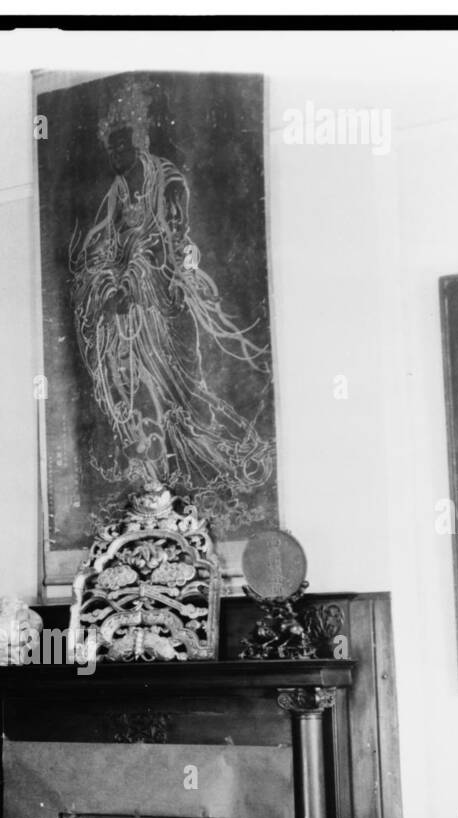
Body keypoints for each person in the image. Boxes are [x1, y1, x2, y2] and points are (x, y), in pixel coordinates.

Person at [70, 99, 275, 526]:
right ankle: (158, 480)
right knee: (142, 394)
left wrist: (147, 278)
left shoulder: (168, 181)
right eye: (111, 147)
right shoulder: (117, 191)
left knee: (183, 390)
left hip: (165, 302)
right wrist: (110, 286)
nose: (117, 154)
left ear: (138, 142)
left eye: (124, 144)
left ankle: (220, 458)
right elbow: (103, 247)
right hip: (132, 315)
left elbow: (175, 244)